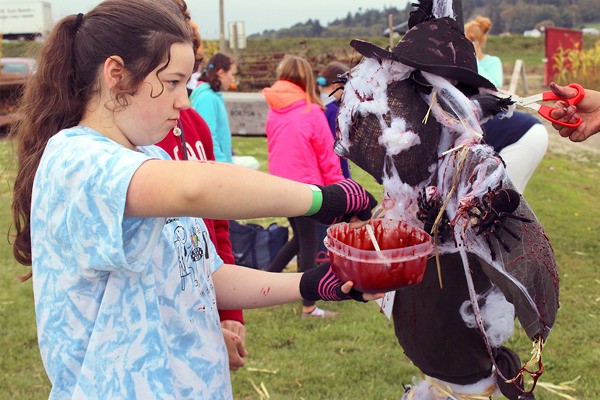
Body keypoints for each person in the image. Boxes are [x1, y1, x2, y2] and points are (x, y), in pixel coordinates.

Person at [8, 1, 380, 398]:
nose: (183, 101)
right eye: (171, 82)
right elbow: (196, 188)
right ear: (116, 74)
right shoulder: (76, 160)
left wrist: (310, 283)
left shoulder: (152, 157)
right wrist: (322, 199)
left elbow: (204, 276)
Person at [161, 1, 247, 371]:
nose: (185, 99)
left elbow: (218, 224)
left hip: (206, 306)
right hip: (170, 331)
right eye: (172, 81)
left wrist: (229, 311)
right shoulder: (132, 140)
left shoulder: (194, 125)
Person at [262, 55, 345, 318]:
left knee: (299, 238)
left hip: (280, 185)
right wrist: (340, 192)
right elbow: (328, 156)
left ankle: (266, 284)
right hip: (307, 189)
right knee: (308, 242)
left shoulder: (274, 110)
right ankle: (309, 305)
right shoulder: (312, 111)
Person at [465, 16, 549, 193]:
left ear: (476, 42)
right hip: (498, 127)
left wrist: (474, 57)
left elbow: (493, 85)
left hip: (523, 135)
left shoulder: (492, 62)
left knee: (500, 199)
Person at [189, 52, 237, 163]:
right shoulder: (207, 98)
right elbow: (209, 138)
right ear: (221, 73)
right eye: (232, 74)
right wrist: (223, 166)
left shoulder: (211, 96)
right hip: (218, 166)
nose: (232, 79)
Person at [317, 61, 351, 179]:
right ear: (336, 87)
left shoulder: (313, 106)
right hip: (333, 174)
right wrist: (346, 179)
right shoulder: (333, 112)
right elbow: (338, 149)